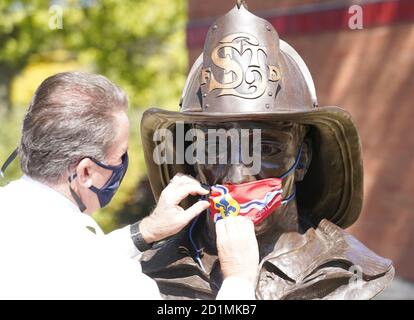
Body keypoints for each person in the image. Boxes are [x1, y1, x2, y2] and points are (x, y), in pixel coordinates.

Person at [139, 3, 394, 299]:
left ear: (303, 158)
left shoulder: (350, 276)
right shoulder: (149, 272)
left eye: (265, 148)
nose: (238, 174)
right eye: (214, 148)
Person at [0, 71, 259, 299]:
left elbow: (58, 263)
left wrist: (143, 232)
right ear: (86, 171)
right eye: (120, 155)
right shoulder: (115, 281)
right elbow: (84, 268)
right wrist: (239, 278)